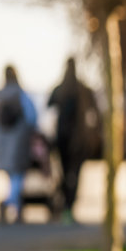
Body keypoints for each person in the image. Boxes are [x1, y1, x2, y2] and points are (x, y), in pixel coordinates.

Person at [0, 65, 39, 225]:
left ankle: (16, 209)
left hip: (3, 143)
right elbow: (32, 117)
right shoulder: (21, 95)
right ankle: (9, 204)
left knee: (12, 177)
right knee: (18, 176)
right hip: (19, 141)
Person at [47, 57, 93, 223]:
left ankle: (66, 207)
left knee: (65, 174)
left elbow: (48, 106)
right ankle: (69, 207)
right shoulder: (82, 89)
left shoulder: (60, 89)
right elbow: (94, 112)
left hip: (62, 139)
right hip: (78, 140)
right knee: (75, 175)